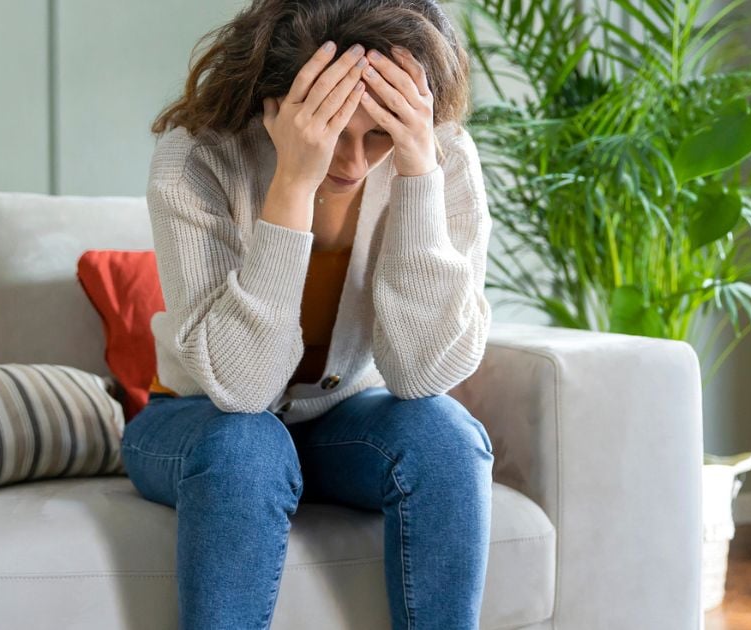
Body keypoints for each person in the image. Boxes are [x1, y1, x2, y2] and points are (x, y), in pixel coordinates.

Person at [122, 1, 494, 628]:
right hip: (199, 419)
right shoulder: (198, 157)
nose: (352, 164)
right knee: (248, 446)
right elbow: (242, 391)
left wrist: (418, 173)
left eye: (378, 135)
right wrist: (294, 181)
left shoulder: (441, 155)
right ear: (274, 103)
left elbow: (423, 376)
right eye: (333, 134)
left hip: (341, 422)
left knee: (447, 438)